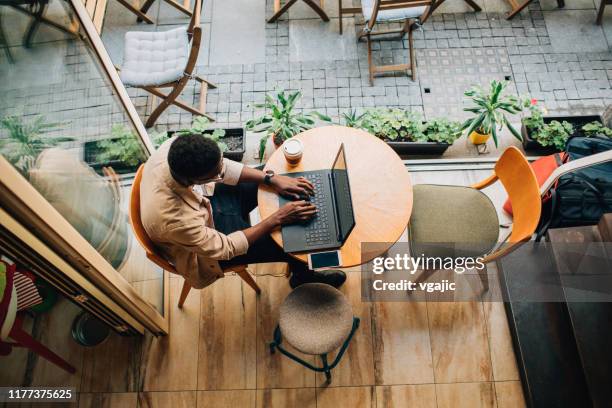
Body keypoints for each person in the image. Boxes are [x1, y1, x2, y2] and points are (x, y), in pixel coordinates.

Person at [139, 134, 346, 291]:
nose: (222, 170)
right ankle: (303, 277)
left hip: (206, 203)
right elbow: (225, 248)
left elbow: (222, 168)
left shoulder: (174, 149)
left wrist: (271, 179)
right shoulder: (174, 220)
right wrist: (277, 218)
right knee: (290, 242)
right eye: (216, 174)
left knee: (275, 174)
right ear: (194, 180)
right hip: (207, 247)